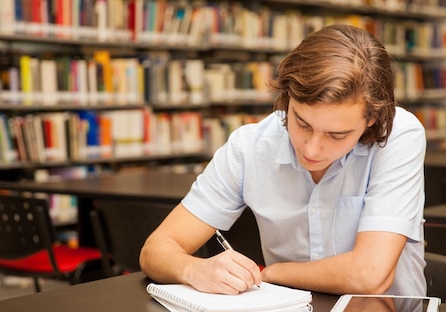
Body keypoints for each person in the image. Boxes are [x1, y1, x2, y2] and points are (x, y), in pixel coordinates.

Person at [140, 24, 427, 296]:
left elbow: (369, 276)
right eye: (301, 123)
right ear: (287, 98)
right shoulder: (249, 146)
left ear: (372, 119)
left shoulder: (399, 135)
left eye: (337, 135)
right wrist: (194, 268)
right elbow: (156, 249)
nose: (312, 150)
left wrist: (272, 273)